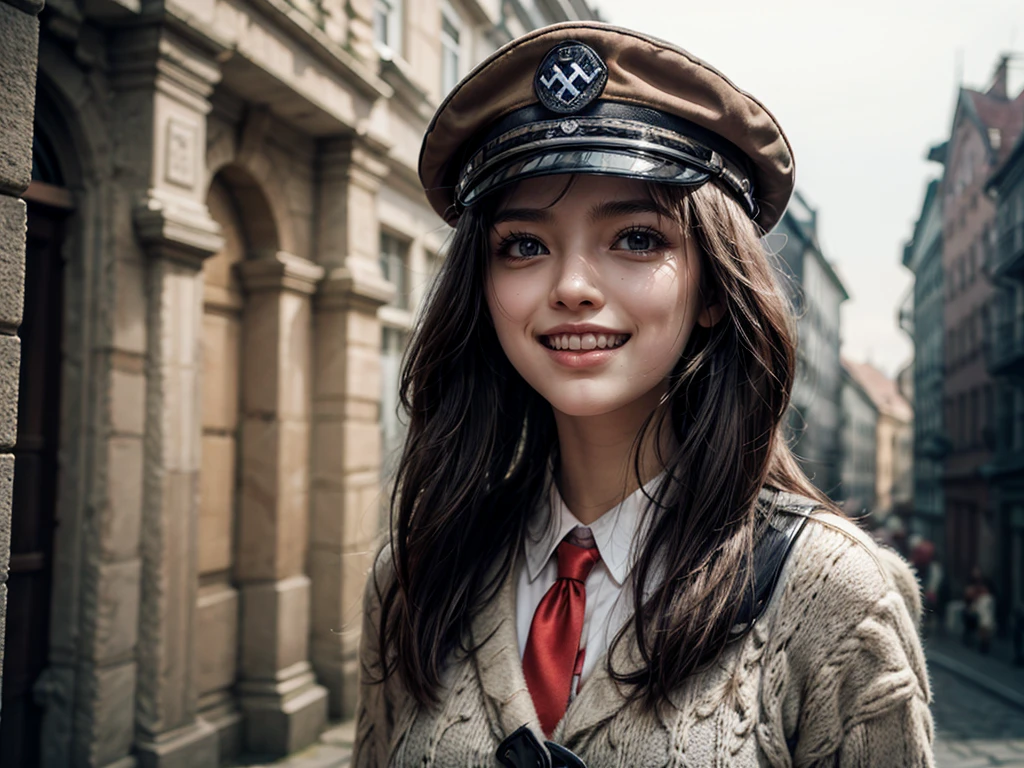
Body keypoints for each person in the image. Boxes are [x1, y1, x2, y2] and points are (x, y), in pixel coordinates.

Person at [354, 22, 933, 767]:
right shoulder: (416, 575)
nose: (570, 287)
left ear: (713, 291)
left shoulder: (832, 595)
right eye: (524, 245)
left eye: (635, 238)